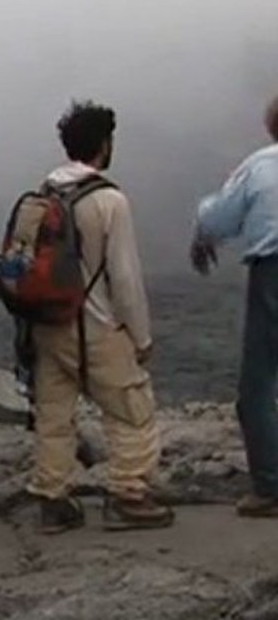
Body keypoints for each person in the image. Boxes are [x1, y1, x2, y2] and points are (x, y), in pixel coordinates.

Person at [27, 101, 173, 533]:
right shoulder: (109, 200)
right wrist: (141, 338)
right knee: (132, 409)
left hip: (47, 323)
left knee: (55, 415)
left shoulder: (44, 192)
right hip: (95, 323)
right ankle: (129, 496)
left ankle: (52, 499)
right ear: (105, 145)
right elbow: (124, 278)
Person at [191, 95, 278, 518]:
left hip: (273, 272)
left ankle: (270, 489)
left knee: (259, 388)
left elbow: (218, 219)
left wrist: (202, 234)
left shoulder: (261, 166)